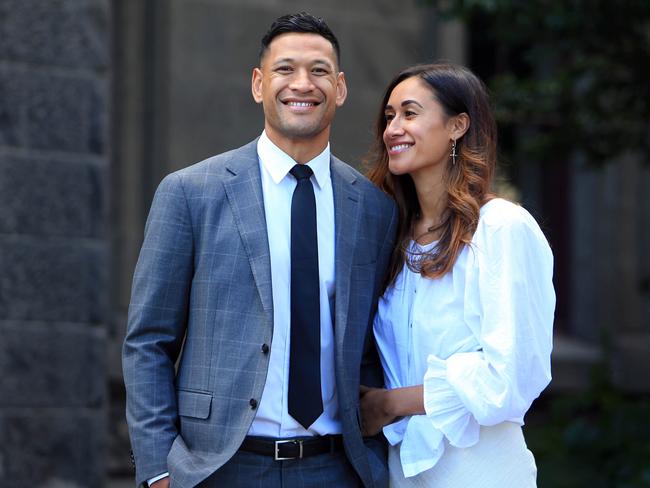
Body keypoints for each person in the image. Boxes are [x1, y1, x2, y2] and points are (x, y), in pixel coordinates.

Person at [122, 12, 397, 488]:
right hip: (220, 468)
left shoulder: (374, 208)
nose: (302, 84)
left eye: (319, 71)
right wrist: (159, 470)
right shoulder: (192, 192)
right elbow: (148, 340)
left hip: (338, 469)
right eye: (285, 69)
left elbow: (374, 345)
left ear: (341, 87)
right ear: (258, 83)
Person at [361, 62, 555, 487]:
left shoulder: (500, 227)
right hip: (401, 468)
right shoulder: (392, 237)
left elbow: (511, 377)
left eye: (410, 113)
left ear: (457, 126)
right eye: (389, 116)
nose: (393, 128)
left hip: (478, 468)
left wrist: (390, 403)